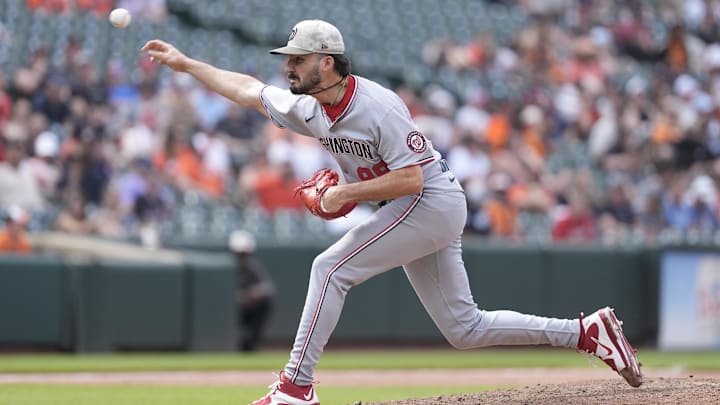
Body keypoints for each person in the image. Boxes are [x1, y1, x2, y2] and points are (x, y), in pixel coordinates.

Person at [142, 19, 643, 404]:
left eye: (298, 58)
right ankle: (585, 332)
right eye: (288, 57)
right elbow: (249, 91)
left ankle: (296, 388)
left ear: (329, 62)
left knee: (329, 267)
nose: (288, 66)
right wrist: (187, 64)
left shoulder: (377, 105)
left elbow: (413, 178)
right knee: (464, 329)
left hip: (429, 199)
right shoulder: (310, 108)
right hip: (414, 204)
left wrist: (343, 195)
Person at [228, 229, 276, 352]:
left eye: (244, 254)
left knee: (265, 303)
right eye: (239, 254)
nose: (241, 257)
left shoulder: (253, 267)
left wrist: (249, 295)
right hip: (232, 310)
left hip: (250, 309)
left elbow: (267, 288)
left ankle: (251, 342)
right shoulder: (227, 267)